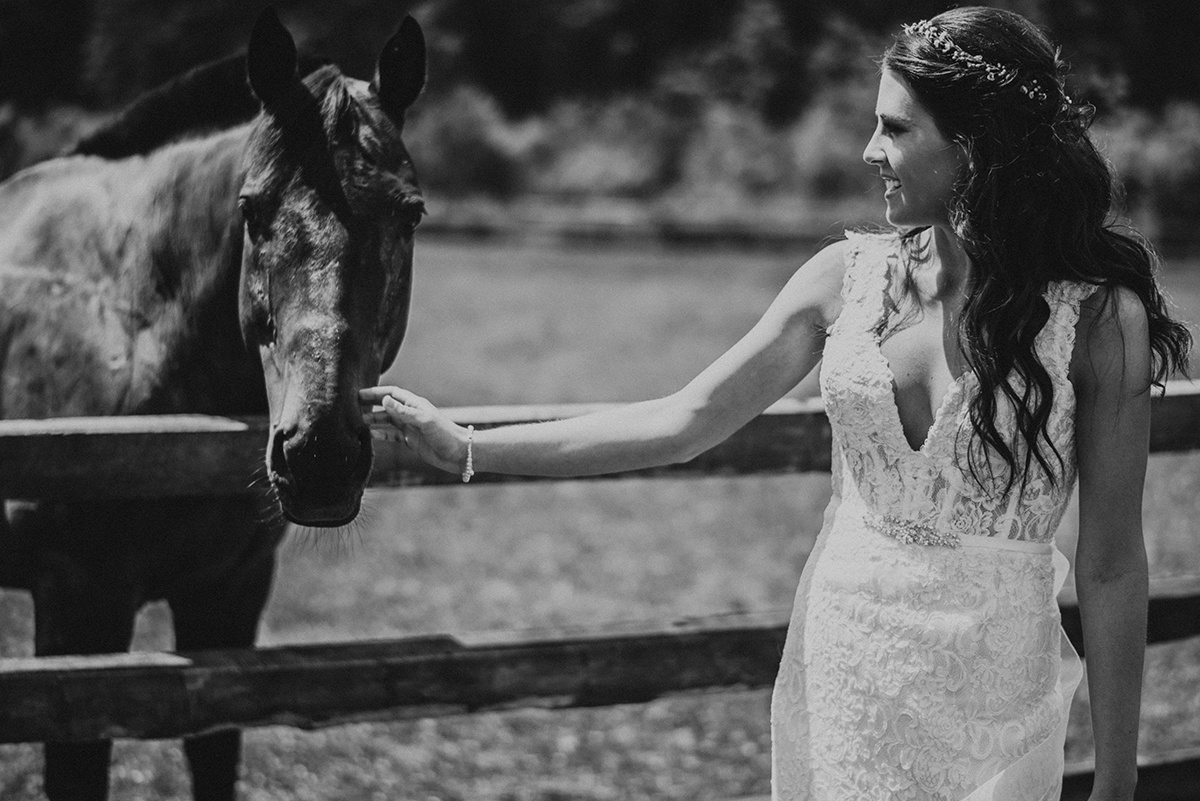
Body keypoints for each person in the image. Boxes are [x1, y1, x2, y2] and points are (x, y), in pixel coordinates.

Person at [361, 7, 1191, 800]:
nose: (869, 150)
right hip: (845, 665)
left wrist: (1118, 777)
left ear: (977, 148)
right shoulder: (844, 280)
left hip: (996, 690)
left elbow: (1113, 562)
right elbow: (682, 420)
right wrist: (464, 443)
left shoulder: (1096, 321)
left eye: (896, 129)